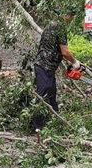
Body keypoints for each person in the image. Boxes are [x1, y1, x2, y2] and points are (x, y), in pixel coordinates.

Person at [32, 8, 80, 142]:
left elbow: (55, 49)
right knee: (42, 95)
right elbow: (64, 51)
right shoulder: (60, 27)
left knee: (52, 94)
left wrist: (72, 62)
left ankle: (55, 122)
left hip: (47, 67)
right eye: (71, 16)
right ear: (67, 15)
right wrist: (75, 62)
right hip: (44, 66)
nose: (71, 19)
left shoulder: (52, 24)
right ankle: (37, 127)